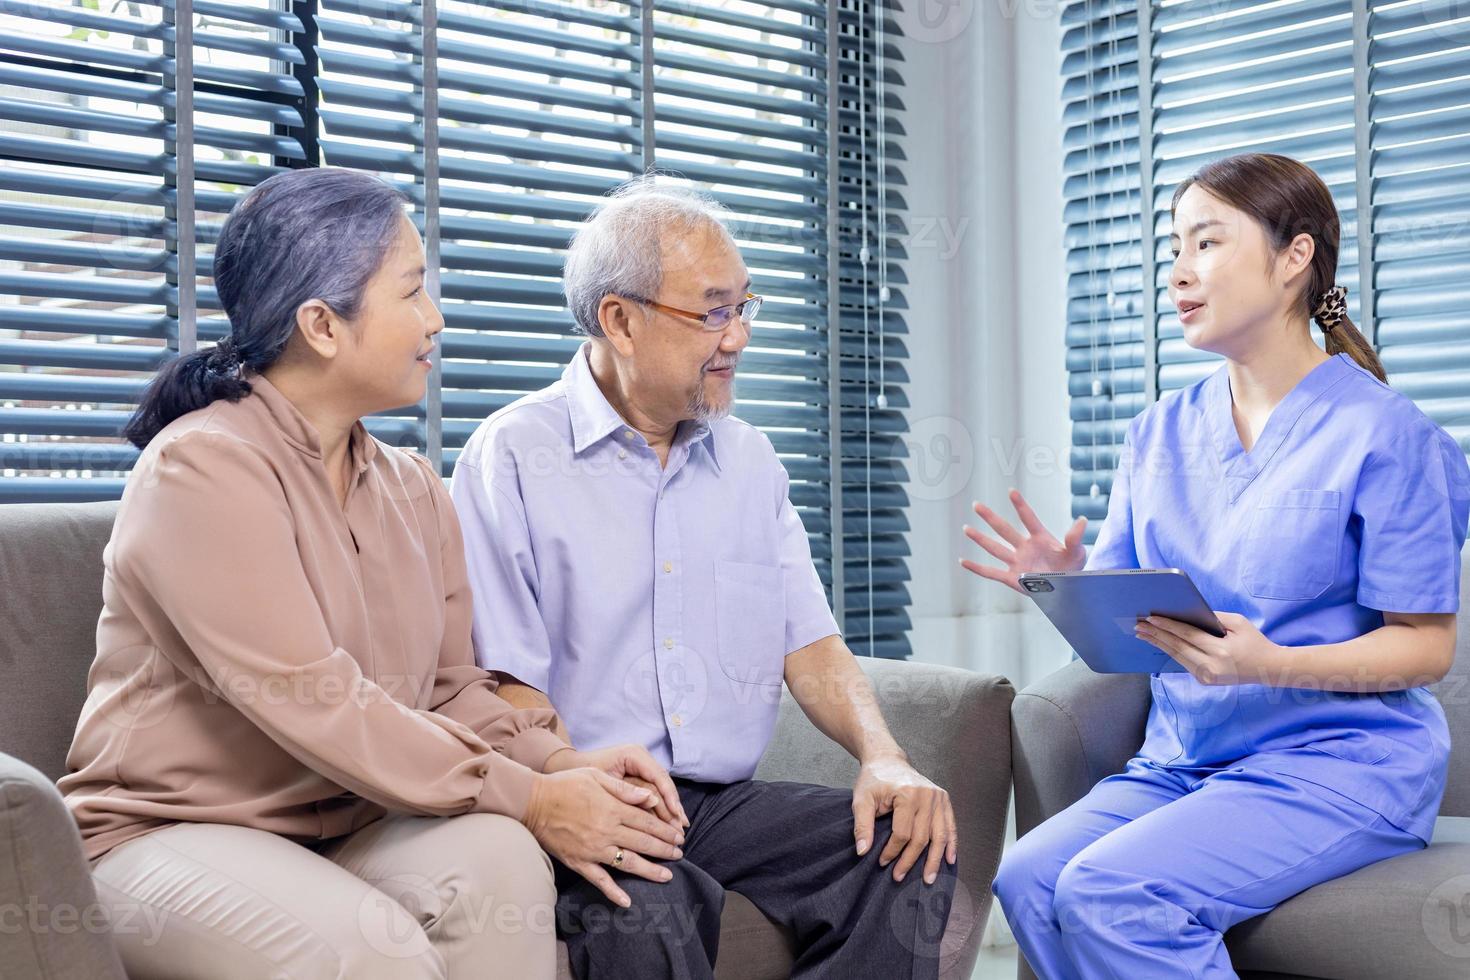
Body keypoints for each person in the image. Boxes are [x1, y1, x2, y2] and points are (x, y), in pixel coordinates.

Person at [61, 167, 685, 980]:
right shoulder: (200, 471)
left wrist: (558, 766)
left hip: (344, 825)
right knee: (359, 952)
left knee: (497, 860)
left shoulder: (413, 486)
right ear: (322, 325)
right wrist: (532, 798)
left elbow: (450, 688)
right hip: (166, 836)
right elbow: (317, 700)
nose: (436, 319)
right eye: (412, 293)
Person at [965, 151, 1470, 979]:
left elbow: (1425, 646)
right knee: (1026, 877)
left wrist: (1269, 662)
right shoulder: (1157, 432)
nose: (1179, 272)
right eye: (1173, 249)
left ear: (1294, 258)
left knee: (1110, 890)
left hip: (1340, 763)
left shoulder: (1389, 435)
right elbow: (1135, 633)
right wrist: (1071, 582)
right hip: (1185, 759)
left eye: (1206, 244)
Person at [450, 177, 959, 979]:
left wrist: (883, 754)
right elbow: (503, 680)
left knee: (906, 849)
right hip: (586, 788)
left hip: (721, 803)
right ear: (620, 319)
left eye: (745, 308)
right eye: (713, 312)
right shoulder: (511, 455)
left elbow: (814, 649)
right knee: (645, 910)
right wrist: (573, 788)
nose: (740, 338)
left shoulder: (750, 461)